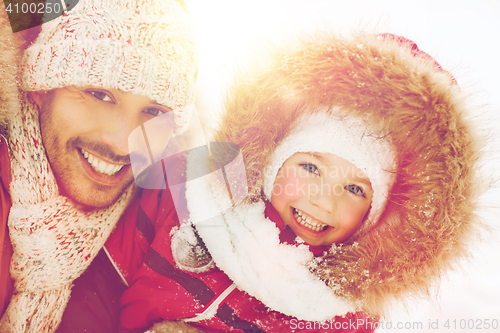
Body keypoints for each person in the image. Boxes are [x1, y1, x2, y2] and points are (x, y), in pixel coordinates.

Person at [118, 31, 484, 332]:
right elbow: (101, 281)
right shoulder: (189, 194)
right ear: (275, 158)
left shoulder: (339, 315)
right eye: (311, 168)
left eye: (355, 189)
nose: (324, 202)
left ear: (379, 217)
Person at [0, 0, 197, 331]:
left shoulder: (165, 223)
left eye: (154, 112)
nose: (123, 143)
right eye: (99, 94)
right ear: (40, 89)